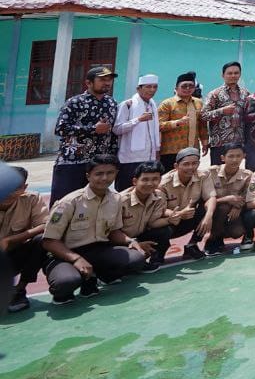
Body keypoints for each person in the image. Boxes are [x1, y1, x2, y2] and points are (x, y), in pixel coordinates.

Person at [42, 154, 147, 305]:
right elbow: (49, 241)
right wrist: (76, 259)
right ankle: (64, 290)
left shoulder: (116, 199)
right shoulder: (69, 202)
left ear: (116, 173)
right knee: (66, 282)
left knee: (136, 258)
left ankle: (97, 276)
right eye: (98, 174)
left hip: (97, 250)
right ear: (88, 176)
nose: (104, 178)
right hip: (65, 253)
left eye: (110, 173)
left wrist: (130, 241)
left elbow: (113, 232)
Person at [51, 65, 119, 203]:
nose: (107, 83)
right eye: (102, 79)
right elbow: (60, 128)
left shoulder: (111, 103)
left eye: (109, 79)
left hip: (98, 164)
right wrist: (93, 129)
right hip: (72, 161)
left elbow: (112, 132)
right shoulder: (75, 102)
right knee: (65, 202)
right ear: (88, 82)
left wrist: (112, 157)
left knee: (93, 204)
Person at [1, 166, 48, 312]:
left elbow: (45, 225)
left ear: (24, 187)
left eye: (16, 188)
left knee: (41, 240)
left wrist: (10, 240)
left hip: (13, 256)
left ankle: (19, 290)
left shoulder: (32, 199)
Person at [159, 147, 212, 260]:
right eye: (186, 164)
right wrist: (179, 213)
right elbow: (160, 209)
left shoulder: (203, 175)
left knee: (209, 209)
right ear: (176, 166)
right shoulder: (163, 182)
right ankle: (158, 252)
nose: (191, 167)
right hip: (170, 221)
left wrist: (208, 217)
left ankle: (192, 245)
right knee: (160, 229)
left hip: (189, 217)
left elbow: (210, 197)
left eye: (194, 163)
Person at [117, 160, 171, 271]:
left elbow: (154, 221)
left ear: (160, 180)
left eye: (155, 179)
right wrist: (134, 243)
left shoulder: (159, 196)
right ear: (135, 181)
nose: (150, 184)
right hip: (120, 241)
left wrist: (172, 217)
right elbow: (111, 232)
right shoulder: (120, 201)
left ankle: (155, 258)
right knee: (124, 268)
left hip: (140, 235)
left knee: (165, 231)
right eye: (145, 179)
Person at [113, 74, 162, 190]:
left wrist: (157, 150)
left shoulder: (152, 105)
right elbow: (117, 129)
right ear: (138, 88)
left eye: (155, 87)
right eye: (148, 86)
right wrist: (138, 120)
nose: (152, 90)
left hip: (148, 158)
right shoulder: (127, 105)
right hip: (129, 159)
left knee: (146, 192)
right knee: (127, 192)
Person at [202, 144, 252, 254]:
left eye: (238, 156)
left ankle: (220, 235)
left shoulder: (247, 175)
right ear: (222, 158)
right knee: (223, 207)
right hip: (210, 211)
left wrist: (238, 207)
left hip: (232, 212)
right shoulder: (210, 173)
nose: (235, 160)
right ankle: (212, 239)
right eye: (231, 156)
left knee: (237, 232)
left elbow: (247, 196)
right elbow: (204, 199)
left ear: (244, 156)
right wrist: (226, 199)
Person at [156, 72, 206, 172]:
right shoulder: (167, 104)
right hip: (171, 150)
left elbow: (202, 125)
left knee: (191, 177)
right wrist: (177, 122)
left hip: (193, 149)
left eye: (191, 86)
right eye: (184, 86)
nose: (188, 88)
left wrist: (205, 142)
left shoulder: (199, 103)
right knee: (169, 179)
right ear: (177, 87)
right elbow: (158, 126)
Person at [202, 62, 250, 167]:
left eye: (236, 73)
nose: (233, 76)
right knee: (217, 174)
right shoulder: (215, 94)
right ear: (223, 75)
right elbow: (204, 115)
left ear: (240, 74)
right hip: (220, 143)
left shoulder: (245, 94)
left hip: (238, 142)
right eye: (230, 73)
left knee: (236, 173)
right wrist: (222, 111)